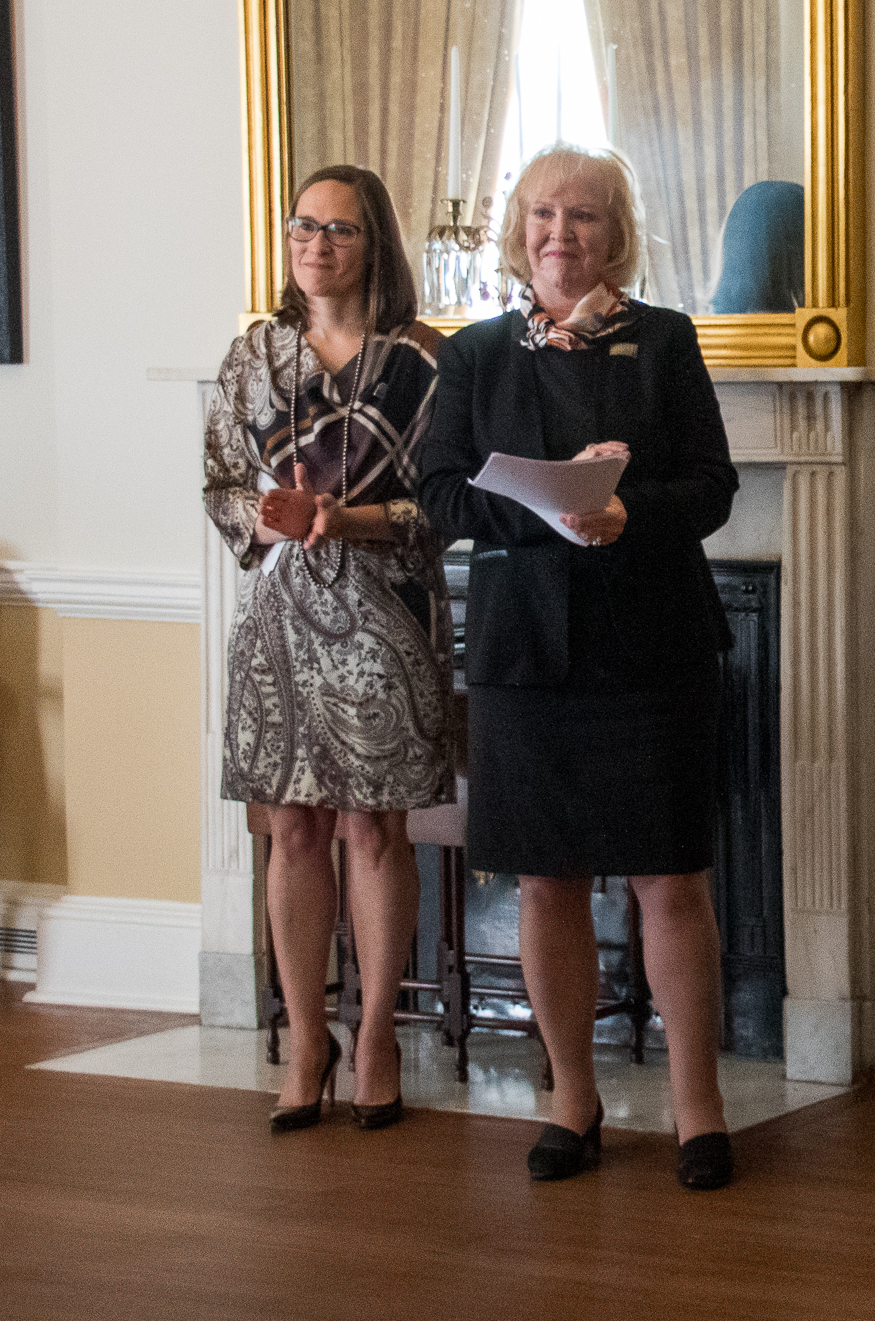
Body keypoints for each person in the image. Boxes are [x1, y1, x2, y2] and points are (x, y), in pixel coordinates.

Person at [416, 142, 742, 1191]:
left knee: (669, 877)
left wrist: (625, 511)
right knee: (544, 880)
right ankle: (571, 1097)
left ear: (618, 233)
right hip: (525, 654)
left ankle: (699, 1109)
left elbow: (712, 485)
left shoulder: (664, 341)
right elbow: (440, 493)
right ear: (519, 231)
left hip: (651, 646)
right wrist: (544, 510)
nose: (562, 234)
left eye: (586, 216)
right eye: (544, 214)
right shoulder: (473, 355)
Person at [203, 164, 453, 1134]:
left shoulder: (424, 363)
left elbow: (443, 506)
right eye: (302, 223)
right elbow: (221, 480)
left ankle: (376, 1035)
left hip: (385, 616)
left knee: (372, 830)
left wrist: (346, 517)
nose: (315, 242)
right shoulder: (253, 357)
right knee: (294, 829)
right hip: (279, 619)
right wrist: (268, 521)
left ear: (373, 245)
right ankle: (306, 1037)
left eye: (339, 228)